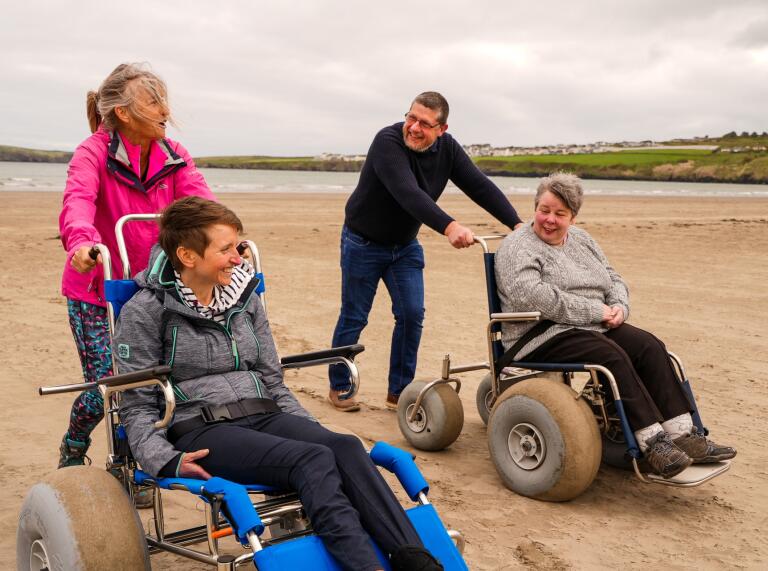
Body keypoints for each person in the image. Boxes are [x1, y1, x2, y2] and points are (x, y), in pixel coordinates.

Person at [115, 197, 443, 571]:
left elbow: (272, 379)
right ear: (188, 256)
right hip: (201, 428)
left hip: (263, 411)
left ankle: (417, 561)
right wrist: (167, 461)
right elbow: (137, 404)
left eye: (238, 246)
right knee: (312, 458)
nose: (238, 258)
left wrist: (309, 428)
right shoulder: (146, 312)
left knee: (344, 447)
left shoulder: (244, 297)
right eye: (225, 249)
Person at [494, 172, 736, 478]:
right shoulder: (517, 247)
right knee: (611, 356)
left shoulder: (582, 239)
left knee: (649, 346)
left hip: (592, 323)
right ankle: (653, 443)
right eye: (544, 210)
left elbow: (612, 276)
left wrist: (620, 306)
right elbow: (535, 298)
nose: (550, 220)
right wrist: (598, 311)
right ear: (534, 208)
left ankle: (683, 435)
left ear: (573, 216)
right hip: (539, 332)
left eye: (560, 214)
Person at [57, 62, 215, 469]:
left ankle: (133, 459)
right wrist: (82, 242)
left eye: (164, 99)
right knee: (106, 385)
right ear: (124, 113)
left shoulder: (173, 155)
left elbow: (201, 205)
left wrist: (223, 240)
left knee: (152, 382)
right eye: (153, 101)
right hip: (98, 286)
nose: (165, 109)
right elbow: (78, 201)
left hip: (154, 287)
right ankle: (74, 445)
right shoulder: (92, 151)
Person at [328, 91, 523, 412]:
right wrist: (449, 226)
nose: (414, 128)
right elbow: (408, 193)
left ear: (441, 130)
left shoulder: (448, 150)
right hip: (362, 241)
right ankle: (340, 386)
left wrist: (516, 225)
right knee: (354, 316)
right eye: (411, 118)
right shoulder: (387, 141)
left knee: (411, 315)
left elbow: (478, 185)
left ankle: (399, 392)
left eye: (424, 123)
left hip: (404, 246)